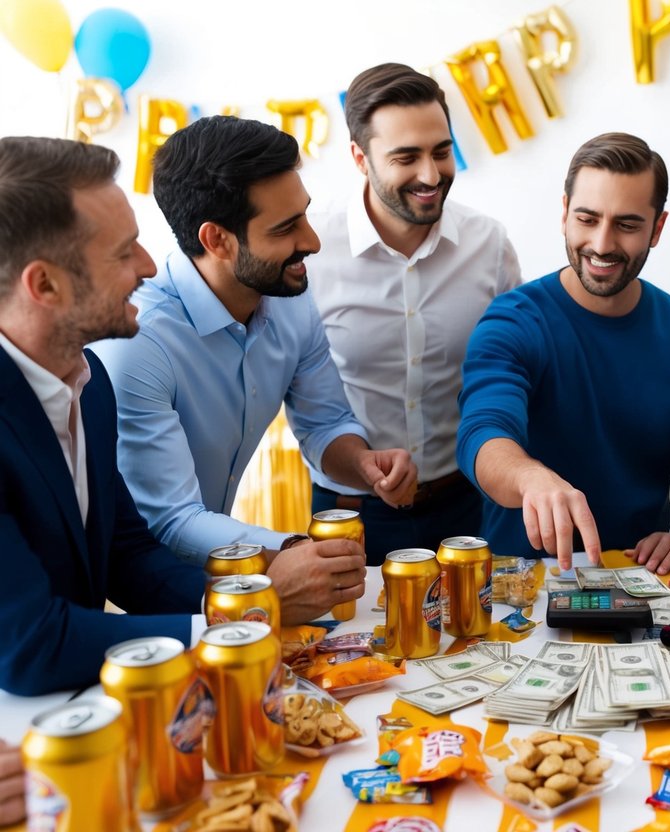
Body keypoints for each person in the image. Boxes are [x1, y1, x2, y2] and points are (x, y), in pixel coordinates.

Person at [93, 116, 412, 622]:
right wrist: (292, 550)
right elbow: (171, 521)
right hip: (156, 594)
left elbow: (326, 424)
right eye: (286, 228)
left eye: (302, 215)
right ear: (217, 239)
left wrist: (363, 465)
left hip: (236, 567)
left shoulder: (290, 298)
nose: (312, 241)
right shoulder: (138, 341)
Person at [456, 132, 670, 573]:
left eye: (626, 225)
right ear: (565, 212)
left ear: (657, 228)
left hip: (643, 581)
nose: (603, 244)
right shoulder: (513, 321)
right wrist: (530, 477)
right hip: (523, 584)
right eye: (587, 219)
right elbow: (481, 433)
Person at [0, 137, 205, 696]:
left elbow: (125, 554)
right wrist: (217, 636)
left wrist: (242, 600)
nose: (147, 266)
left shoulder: (90, 380)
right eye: (124, 252)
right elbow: (32, 645)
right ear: (44, 284)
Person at [307, 64, 521, 565]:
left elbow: (512, 373)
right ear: (360, 157)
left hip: (470, 507)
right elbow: (300, 395)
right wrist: (362, 466)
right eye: (406, 157)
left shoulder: (489, 244)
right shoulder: (311, 250)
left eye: (441, 152)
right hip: (348, 513)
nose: (430, 175)